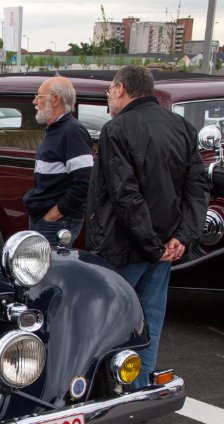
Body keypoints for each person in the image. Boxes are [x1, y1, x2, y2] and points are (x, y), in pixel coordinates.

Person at [86, 65, 209, 389]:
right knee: (150, 321)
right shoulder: (182, 127)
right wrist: (182, 237)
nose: (108, 96)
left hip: (125, 246)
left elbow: (125, 194)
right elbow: (197, 187)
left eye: (110, 90)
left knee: (111, 321)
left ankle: (108, 389)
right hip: (165, 247)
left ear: (122, 88)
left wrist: (153, 243)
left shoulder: (117, 130)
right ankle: (140, 387)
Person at [23, 76, 93, 246]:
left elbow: (85, 182)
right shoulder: (56, 130)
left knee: (48, 270)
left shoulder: (72, 132)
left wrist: (53, 215)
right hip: (45, 219)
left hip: (56, 223)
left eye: (39, 96)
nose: (35, 102)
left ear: (55, 100)